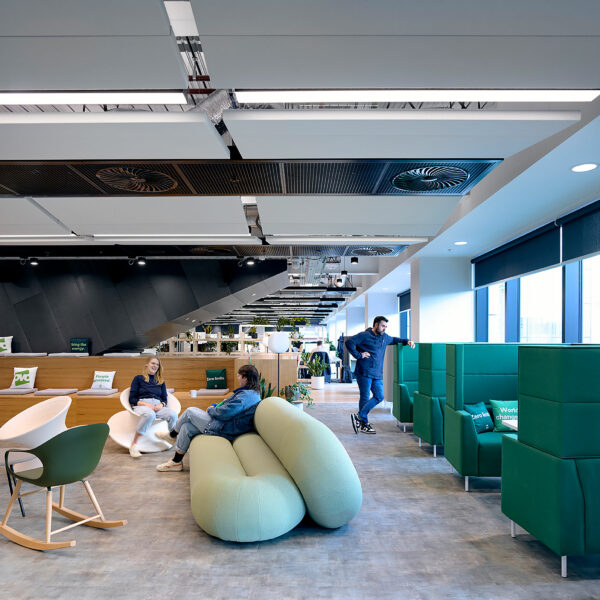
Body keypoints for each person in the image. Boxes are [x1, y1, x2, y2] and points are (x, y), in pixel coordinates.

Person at [155, 364, 262, 472]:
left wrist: (211, 410)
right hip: (223, 423)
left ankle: (172, 435)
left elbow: (227, 412)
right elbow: (227, 405)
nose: (238, 378)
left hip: (223, 428)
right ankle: (176, 462)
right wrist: (215, 406)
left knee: (189, 411)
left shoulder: (246, 396)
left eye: (239, 376)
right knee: (186, 427)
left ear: (245, 378)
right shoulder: (250, 393)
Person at [345, 316, 415, 434]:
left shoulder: (385, 338)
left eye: (386, 327)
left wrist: (407, 341)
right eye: (383, 326)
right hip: (364, 372)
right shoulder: (365, 335)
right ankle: (363, 424)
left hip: (377, 374)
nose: (384, 329)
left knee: (379, 396)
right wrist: (359, 355)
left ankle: (360, 416)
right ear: (376, 325)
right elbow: (349, 342)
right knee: (365, 397)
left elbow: (394, 339)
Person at [128, 357, 177, 458]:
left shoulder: (160, 381)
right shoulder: (138, 378)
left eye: (157, 364)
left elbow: (165, 398)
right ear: (147, 364)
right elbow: (132, 399)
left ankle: (171, 437)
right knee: (149, 414)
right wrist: (146, 404)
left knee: (172, 414)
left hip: (157, 406)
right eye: (153, 363)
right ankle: (134, 445)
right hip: (142, 405)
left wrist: (161, 404)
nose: (155, 366)